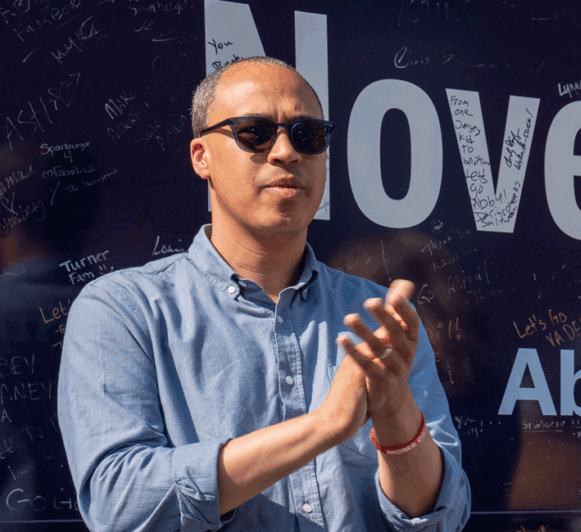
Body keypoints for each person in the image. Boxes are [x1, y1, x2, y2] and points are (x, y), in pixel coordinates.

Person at [57, 56, 471, 531]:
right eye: (254, 132)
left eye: (307, 135)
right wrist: (322, 427)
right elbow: (121, 506)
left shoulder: (376, 317)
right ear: (201, 156)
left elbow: (442, 521)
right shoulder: (124, 310)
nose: (286, 152)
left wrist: (397, 417)